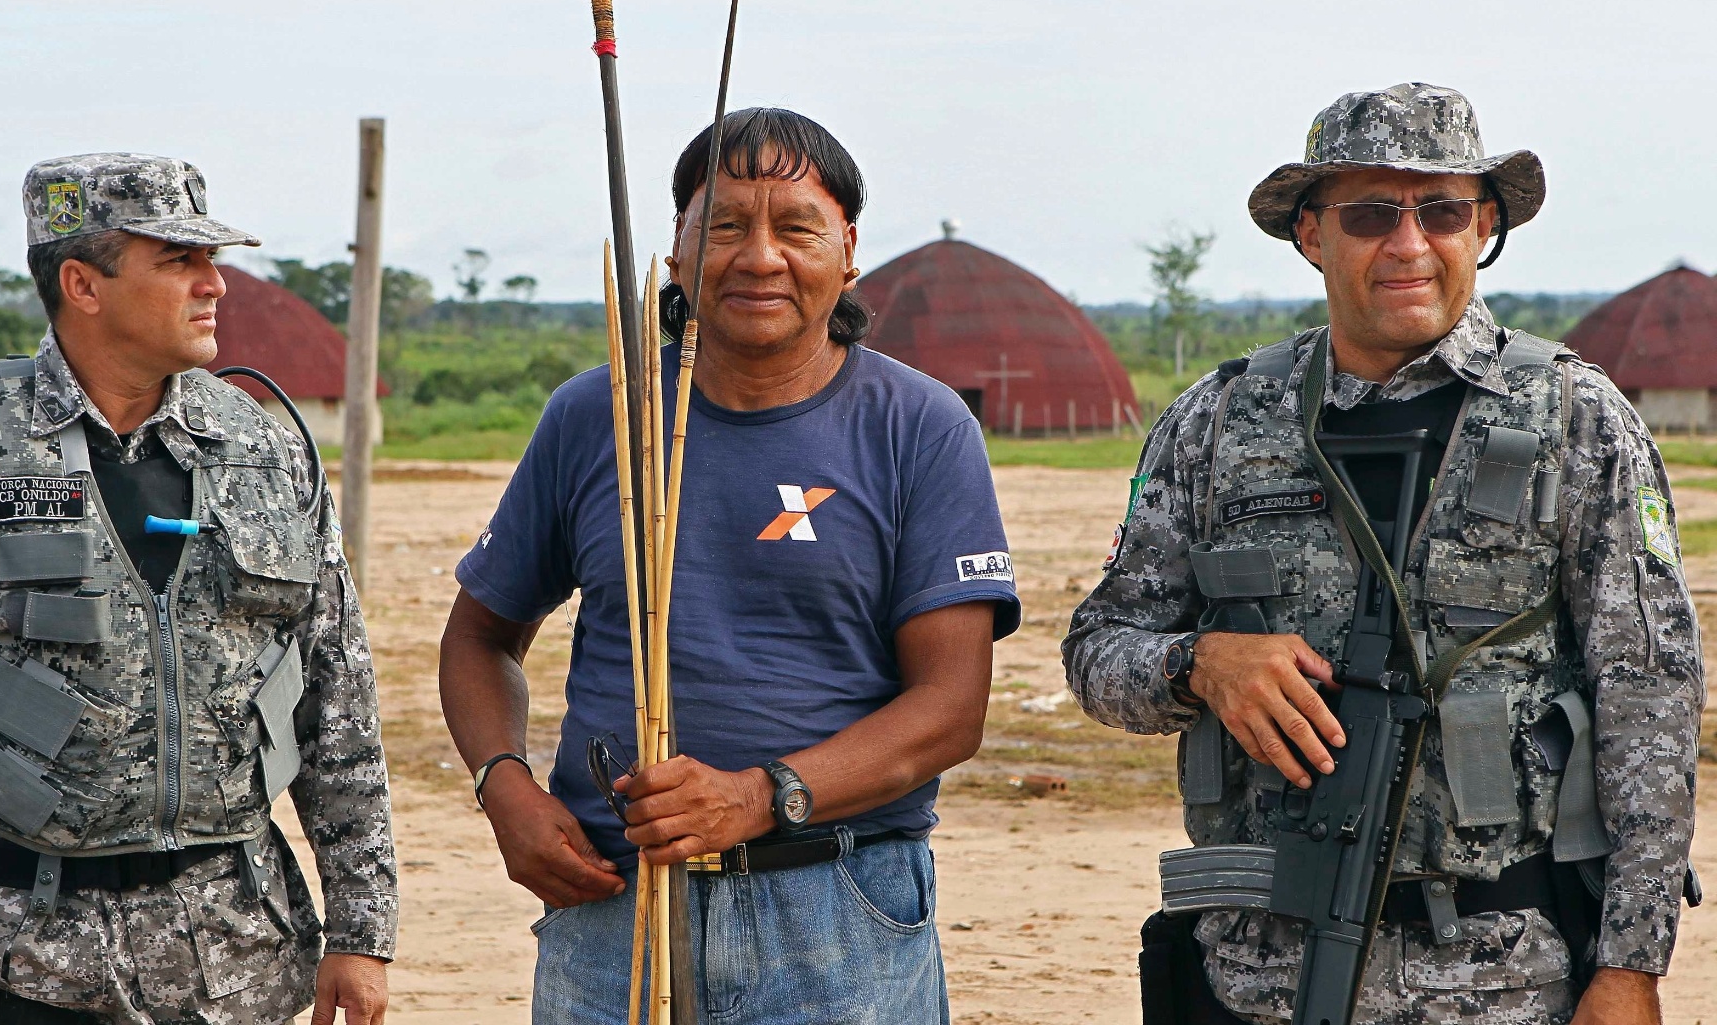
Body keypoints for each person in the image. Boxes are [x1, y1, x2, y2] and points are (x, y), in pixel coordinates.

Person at [1065, 83, 1702, 1025]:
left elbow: (1650, 695)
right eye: (1369, 214)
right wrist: (1197, 664)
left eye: (1441, 210)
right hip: (1259, 980)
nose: (1408, 244)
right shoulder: (1220, 420)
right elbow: (1096, 650)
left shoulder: (1578, 420)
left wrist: (1630, 967)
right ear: (1311, 235)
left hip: (1507, 982)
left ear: (1482, 225)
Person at [439, 107, 1020, 1022]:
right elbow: (480, 638)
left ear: (849, 250)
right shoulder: (600, 414)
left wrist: (761, 796)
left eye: (796, 227)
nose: (759, 257)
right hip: (610, 910)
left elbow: (948, 711)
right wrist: (501, 785)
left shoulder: (919, 426)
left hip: (837, 908)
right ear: (674, 251)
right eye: (723, 226)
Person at [0, 153, 396, 1025]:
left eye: (211, 260)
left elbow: (338, 691)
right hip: (17, 967)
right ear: (83, 284)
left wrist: (362, 928)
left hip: (239, 973)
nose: (215, 285)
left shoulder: (263, 454)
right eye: (178, 261)